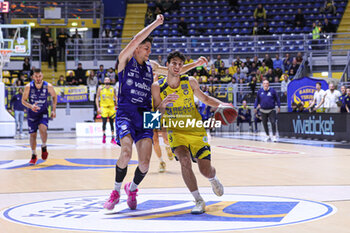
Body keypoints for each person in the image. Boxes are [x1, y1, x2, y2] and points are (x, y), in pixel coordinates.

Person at [103, 14, 207, 211]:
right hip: (126, 111)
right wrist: (156, 23)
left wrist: (195, 65)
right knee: (125, 153)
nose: (149, 50)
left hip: (148, 114)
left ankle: (131, 189)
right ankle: (115, 192)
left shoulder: (151, 67)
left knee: (144, 165)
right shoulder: (124, 60)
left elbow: (175, 71)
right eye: (146, 47)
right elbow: (134, 40)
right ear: (137, 48)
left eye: (150, 48)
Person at [152, 51, 224, 214]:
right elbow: (155, 118)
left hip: (195, 129)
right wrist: (163, 104)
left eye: (180, 64)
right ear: (167, 65)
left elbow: (205, 99)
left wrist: (223, 105)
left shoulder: (190, 81)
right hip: (176, 132)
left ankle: (213, 178)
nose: (177, 67)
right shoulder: (157, 87)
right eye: (174, 63)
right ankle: (198, 200)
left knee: (205, 170)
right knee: (184, 160)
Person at [21, 69, 57, 165]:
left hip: (43, 112)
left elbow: (54, 96)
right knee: (33, 135)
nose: (38, 78)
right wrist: (31, 106)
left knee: (43, 129)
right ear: (33, 77)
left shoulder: (48, 86)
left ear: (42, 76)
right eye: (36, 76)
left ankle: (44, 147)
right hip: (32, 113)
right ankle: (33, 155)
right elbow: (23, 101)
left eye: (39, 76)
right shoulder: (28, 87)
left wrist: (53, 110)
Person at [95, 77, 118, 144]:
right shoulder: (100, 88)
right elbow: (97, 98)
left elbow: (115, 97)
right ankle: (104, 135)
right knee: (104, 122)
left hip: (111, 107)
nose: (107, 80)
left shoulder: (112, 88)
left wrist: (117, 105)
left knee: (112, 123)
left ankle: (112, 137)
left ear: (110, 81)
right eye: (106, 79)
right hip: (104, 107)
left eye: (108, 79)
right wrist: (98, 107)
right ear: (104, 81)